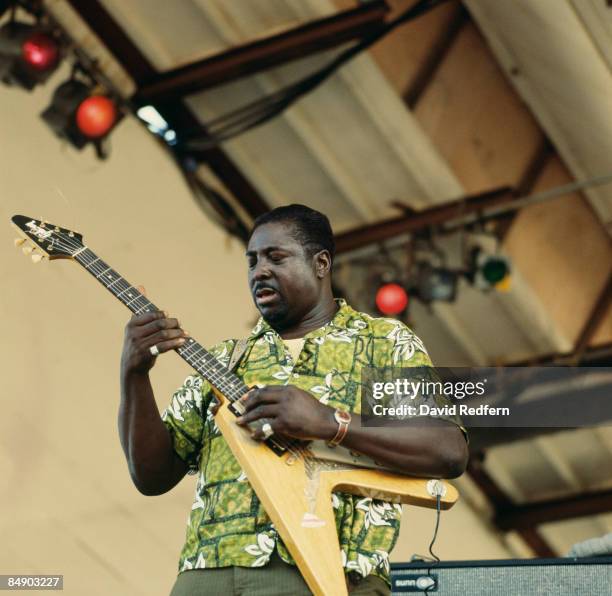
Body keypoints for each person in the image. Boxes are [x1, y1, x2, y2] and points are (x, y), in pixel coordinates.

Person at [119, 204, 468, 595]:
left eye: (275, 257)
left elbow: (446, 449)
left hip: (328, 574)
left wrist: (330, 422)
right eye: (251, 261)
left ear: (321, 264)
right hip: (206, 572)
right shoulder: (225, 360)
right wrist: (134, 375)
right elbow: (151, 477)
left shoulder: (382, 344)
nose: (259, 271)